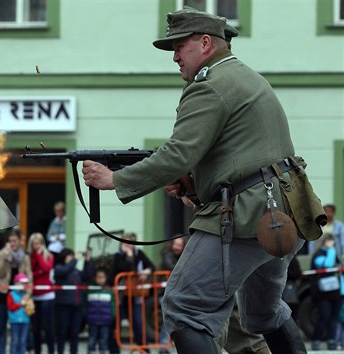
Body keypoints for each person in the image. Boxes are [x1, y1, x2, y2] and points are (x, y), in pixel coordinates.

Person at [82, 7, 308, 353]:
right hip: (282, 212)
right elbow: (240, 157)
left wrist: (115, 179)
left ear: (205, 44)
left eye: (179, 46)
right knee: (263, 314)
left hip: (248, 215)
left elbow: (178, 154)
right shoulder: (245, 77)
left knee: (183, 305)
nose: (174, 56)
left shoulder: (209, 86)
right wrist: (193, 186)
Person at [0, 229, 32, 354]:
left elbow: (29, 278)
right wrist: (5, 259)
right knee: (0, 326)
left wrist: (27, 296)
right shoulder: (2, 254)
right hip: (3, 294)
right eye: (10, 241)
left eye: (14, 241)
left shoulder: (24, 257)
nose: (12, 243)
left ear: (20, 241)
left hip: (19, 296)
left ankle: (30, 349)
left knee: (23, 324)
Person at [112, 233, 155, 347]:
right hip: (121, 295)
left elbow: (151, 266)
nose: (127, 245)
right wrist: (130, 256)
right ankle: (115, 348)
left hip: (135, 294)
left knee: (138, 321)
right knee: (117, 321)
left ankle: (143, 347)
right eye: (125, 242)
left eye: (130, 243)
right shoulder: (118, 255)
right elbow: (124, 268)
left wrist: (146, 272)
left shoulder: (139, 253)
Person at [53, 248, 89, 354]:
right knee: (62, 333)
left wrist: (87, 262)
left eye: (72, 256)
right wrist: (75, 260)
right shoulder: (59, 268)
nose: (72, 258)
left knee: (75, 333)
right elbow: (65, 271)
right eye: (69, 256)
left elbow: (87, 276)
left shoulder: (76, 271)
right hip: (63, 306)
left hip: (76, 306)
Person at [309, 234, 342, 350]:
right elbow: (327, 265)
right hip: (322, 293)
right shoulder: (318, 255)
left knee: (335, 317)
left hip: (336, 293)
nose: (333, 244)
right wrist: (331, 251)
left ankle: (331, 340)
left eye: (333, 242)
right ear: (324, 242)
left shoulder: (334, 256)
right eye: (330, 242)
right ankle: (316, 340)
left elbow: (339, 271)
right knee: (324, 316)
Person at [29, 232, 56, 354]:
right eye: (34, 244)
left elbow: (46, 268)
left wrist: (40, 256)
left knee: (48, 326)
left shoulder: (49, 255)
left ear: (42, 243)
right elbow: (31, 273)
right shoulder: (29, 257)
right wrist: (38, 272)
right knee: (36, 328)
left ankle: (51, 351)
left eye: (39, 243)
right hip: (34, 296)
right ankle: (38, 351)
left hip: (47, 296)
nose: (37, 246)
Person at [86, 267, 116, 354]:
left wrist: (113, 315)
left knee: (104, 339)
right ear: (95, 278)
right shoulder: (90, 290)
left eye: (103, 277)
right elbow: (86, 304)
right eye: (99, 277)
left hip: (106, 320)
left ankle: (103, 351)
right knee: (92, 338)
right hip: (93, 320)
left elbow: (113, 304)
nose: (101, 279)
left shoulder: (109, 291)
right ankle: (90, 351)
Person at [8, 273, 32, 354]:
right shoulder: (11, 294)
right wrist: (20, 304)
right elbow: (11, 307)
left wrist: (30, 305)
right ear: (16, 283)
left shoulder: (26, 295)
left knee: (23, 341)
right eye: (22, 283)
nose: (24, 285)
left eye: (25, 283)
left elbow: (30, 311)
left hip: (25, 321)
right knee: (15, 341)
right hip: (14, 321)